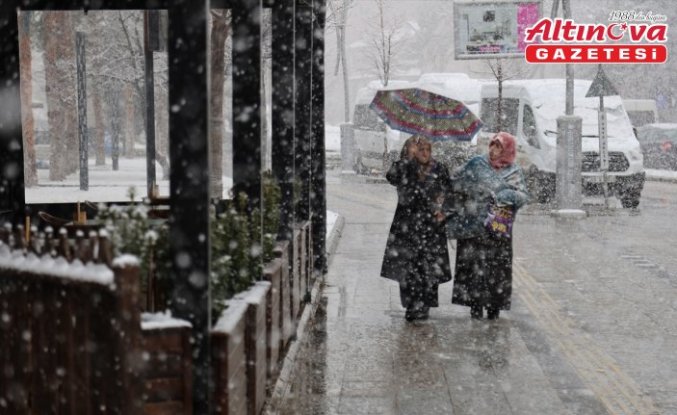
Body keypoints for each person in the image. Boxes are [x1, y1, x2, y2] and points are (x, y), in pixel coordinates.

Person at [446, 132, 529, 320]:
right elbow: (456, 182)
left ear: (507, 149)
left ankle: (494, 307)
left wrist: (505, 195)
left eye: (499, 147)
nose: (493, 150)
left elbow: (523, 197)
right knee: (474, 269)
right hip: (474, 227)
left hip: (498, 230)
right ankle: (475, 306)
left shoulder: (514, 171)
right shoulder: (477, 164)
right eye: (492, 145)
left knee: (496, 271)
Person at [380, 135, 452, 321]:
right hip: (407, 227)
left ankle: (425, 304)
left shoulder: (439, 168)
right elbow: (391, 176)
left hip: (431, 229)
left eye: (427, 149)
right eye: (420, 149)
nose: (424, 153)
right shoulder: (405, 167)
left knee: (429, 269)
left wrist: (444, 212)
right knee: (408, 269)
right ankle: (411, 305)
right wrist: (407, 159)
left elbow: (451, 194)